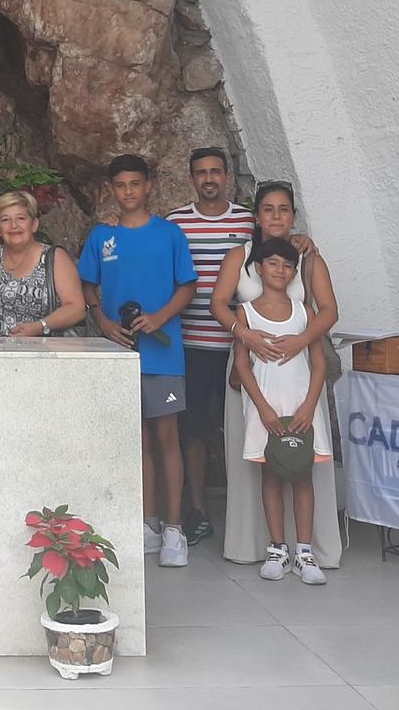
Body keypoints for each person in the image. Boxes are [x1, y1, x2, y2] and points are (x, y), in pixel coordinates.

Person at [210, 180, 342, 567]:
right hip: (251, 369)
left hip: (299, 369)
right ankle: (258, 544)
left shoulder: (308, 257)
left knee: (302, 458)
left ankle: (308, 548)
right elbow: (219, 302)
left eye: (284, 209)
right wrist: (244, 334)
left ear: (294, 216)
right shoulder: (241, 255)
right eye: (268, 209)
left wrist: (302, 341)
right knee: (254, 459)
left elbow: (329, 311)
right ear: (256, 215)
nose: (276, 216)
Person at [79, 154, 197, 568]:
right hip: (119, 354)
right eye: (120, 185)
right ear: (111, 190)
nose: (128, 191)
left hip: (163, 353)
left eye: (135, 184)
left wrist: (159, 317)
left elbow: (187, 287)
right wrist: (105, 322)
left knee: (168, 438)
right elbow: (88, 287)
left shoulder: (170, 235)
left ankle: (174, 528)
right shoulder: (101, 238)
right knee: (137, 441)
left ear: (148, 187)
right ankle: (147, 523)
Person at [165, 147, 255, 545]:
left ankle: (248, 512)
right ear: (191, 178)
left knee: (245, 429)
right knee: (194, 431)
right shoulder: (175, 223)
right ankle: (198, 510)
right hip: (192, 344)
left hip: (243, 346)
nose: (208, 179)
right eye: (200, 172)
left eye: (215, 172)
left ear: (227, 176)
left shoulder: (249, 222)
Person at [230, 237, 331, 585]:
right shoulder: (246, 313)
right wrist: (262, 409)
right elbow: (242, 367)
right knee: (270, 475)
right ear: (258, 268)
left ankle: (305, 552)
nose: (280, 270)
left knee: (303, 475)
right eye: (272, 263)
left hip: (303, 407)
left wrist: (308, 405)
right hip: (265, 410)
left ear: (293, 273)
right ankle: (278, 548)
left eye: (288, 265)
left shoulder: (305, 312)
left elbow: (318, 364)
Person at [0, 190, 86, 336]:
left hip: (41, 352)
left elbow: (76, 308)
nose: (14, 225)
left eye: (21, 218)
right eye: (5, 220)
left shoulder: (54, 258)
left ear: (34, 224)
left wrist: (40, 326)